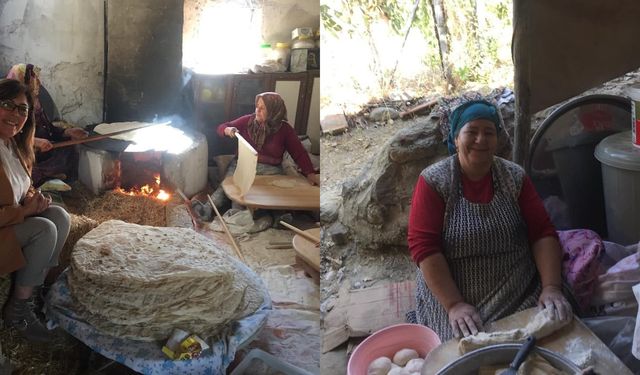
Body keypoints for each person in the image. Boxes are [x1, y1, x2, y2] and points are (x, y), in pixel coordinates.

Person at [407, 99, 572, 341]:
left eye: (489, 132)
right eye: (471, 132)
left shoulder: (514, 177)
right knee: (462, 352)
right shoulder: (434, 181)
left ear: (497, 139)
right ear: (455, 138)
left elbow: (542, 232)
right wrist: (454, 305)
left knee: (548, 334)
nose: (481, 140)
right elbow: (424, 247)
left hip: (516, 288)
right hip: (455, 290)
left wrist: (551, 288)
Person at [0, 78, 70, 342]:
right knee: (43, 229)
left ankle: (34, 292)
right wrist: (26, 212)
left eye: (22, 109)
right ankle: (17, 314)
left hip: (9, 224)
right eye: (7, 105)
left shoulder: (12, 145)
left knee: (59, 215)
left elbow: (20, 187)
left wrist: (35, 198)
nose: (15, 115)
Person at [211, 92, 319, 209]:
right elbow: (221, 127)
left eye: (262, 108)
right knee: (234, 194)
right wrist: (227, 129)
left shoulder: (285, 130)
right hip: (242, 165)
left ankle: (276, 218)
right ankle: (208, 209)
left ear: (274, 111)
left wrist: (310, 173)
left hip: (271, 170)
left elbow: (299, 153)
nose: (257, 110)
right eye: (257, 106)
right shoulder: (247, 121)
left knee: (276, 199)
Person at [6, 63, 88, 187]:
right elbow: (10, 136)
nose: (37, 82)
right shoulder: (7, 104)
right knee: (25, 168)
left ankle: (59, 181)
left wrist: (67, 132)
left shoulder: (35, 102)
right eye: (32, 79)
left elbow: (48, 128)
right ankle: (42, 179)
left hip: (42, 147)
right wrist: (34, 141)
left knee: (70, 149)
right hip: (25, 150)